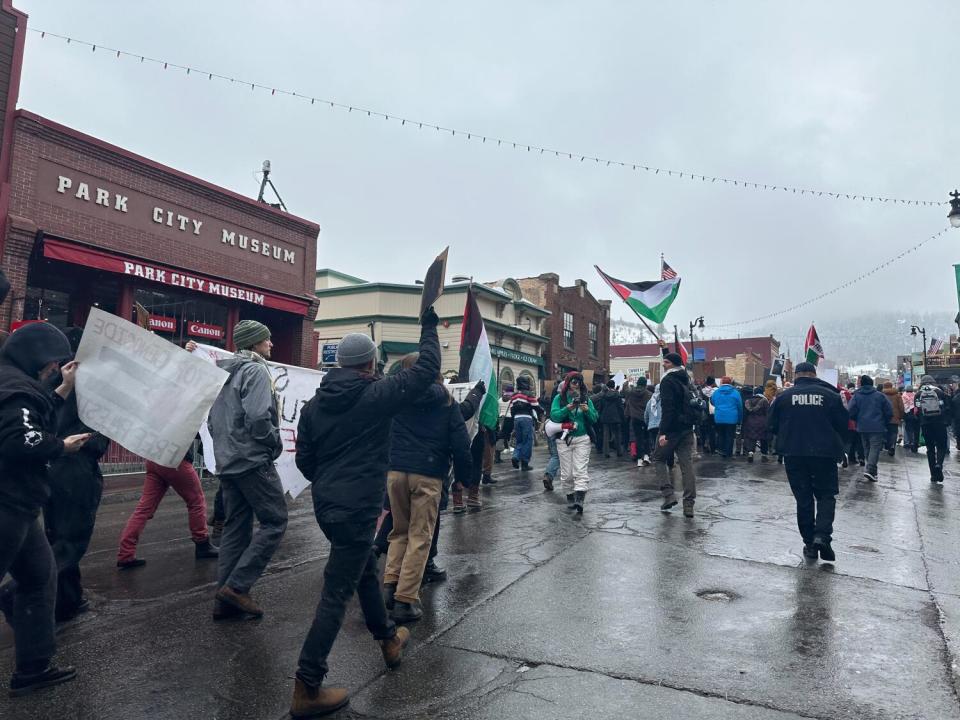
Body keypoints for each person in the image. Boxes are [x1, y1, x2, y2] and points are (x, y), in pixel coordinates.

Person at [289, 309, 440, 717]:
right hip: (357, 509)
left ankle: (388, 639)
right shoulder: (375, 396)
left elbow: (304, 460)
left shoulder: (315, 405)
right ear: (371, 364)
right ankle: (307, 686)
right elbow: (426, 371)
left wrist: (330, 482)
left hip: (328, 505)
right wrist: (427, 324)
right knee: (336, 594)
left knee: (364, 572)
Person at [0, 323, 92, 695]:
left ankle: (34, 668)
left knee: (40, 577)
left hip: (21, 505)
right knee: (39, 579)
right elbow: (22, 439)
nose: (52, 370)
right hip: (8, 503)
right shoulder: (17, 389)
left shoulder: (15, 383)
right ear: (36, 357)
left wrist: (62, 390)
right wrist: (61, 446)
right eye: (51, 365)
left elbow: (28, 418)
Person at [382, 353, 472, 623]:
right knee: (420, 536)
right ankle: (405, 599)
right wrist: (464, 478)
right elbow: (460, 443)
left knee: (399, 531)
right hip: (428, 473)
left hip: (396, 470)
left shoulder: (396, 398)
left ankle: (390, 584)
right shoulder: (446, 401)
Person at [207, 320, 286, 620]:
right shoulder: (254, 371)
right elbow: (258, 416)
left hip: (227, 461)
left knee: (235, 529)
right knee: (275, 521)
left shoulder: (223, 374)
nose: (271, 345)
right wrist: (272, 443)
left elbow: (213, 421)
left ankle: (223, 602)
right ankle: (238, 588)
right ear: (254, 344)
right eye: (266, 340)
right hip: (252, 460)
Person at [38, 327, 110, 623]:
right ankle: (18, 592)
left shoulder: (53, 381)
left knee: (58, 533)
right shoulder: (91, 383)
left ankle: (68, 599)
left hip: (52, 463)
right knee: (70, 541)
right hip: (77, 463)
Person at [767, 362, 848, 562]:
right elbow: (843, 425)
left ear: (796, 376)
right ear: (814, 374)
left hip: (794, 453)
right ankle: (822, 535)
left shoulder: (783, 397)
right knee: (826, 495)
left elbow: (771, 425)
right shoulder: (830, 396)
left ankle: (809, 543)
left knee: (803, 498)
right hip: (824, 453)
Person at [116, 438, 219, 569]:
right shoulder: (183, 417)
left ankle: (126, 554)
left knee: (143, 509)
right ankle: (202, 544)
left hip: (154, 458)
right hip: (175, 459)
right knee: (196, 502)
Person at [653, 352, 699, 517]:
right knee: (686, 465)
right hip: (687, 427)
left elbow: (668, 408)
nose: (663, 364)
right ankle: (689, 504)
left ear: (671, 364)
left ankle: (668, 495)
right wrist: (665, 348)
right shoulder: (685, 378)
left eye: (665, 362)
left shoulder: (667, 381)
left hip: (672, 428)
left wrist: (663, 432)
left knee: (658, 458)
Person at [550, 372, 598, 515]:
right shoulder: (560, 398)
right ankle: (570, 497)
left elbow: (595, 418)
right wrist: (568, 408)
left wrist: (587, 410)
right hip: (564, 439)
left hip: (582, 438)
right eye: (573, 381)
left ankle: (580, 499)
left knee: (580, 470)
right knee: (567, 473)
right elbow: (554, 415)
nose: (575, 384)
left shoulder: (586, 399)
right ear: (568, 383)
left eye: (578, 381)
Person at [847, 375, 892, 483]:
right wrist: (884, 421)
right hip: (877, 426)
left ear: (861, 384)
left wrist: (857, 419)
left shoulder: (857, 396)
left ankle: (872, 471)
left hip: (862, 426)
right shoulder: (880, 396)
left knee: (867, 447)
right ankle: (870, 469)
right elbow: (889, 411)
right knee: (874, 448)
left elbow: (850, 410)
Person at [914, 375, 951, 483]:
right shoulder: (939, 392)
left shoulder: (918, 394)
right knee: (941, 446)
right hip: (939, 423)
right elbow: (947, 407)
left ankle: (933, 475)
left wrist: (920, 420)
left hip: (925, 424)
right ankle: (939, 464)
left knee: (930, 449)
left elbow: (916, 410)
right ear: (933, 382)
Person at [508, 375, 542, 471]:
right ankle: (525, 464)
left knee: (519, 440)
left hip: (516, 419)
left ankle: (516, 456)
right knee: (527, 441)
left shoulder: (514, 395)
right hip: (526, 419)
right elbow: (536, 406)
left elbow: (511, 408)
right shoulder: (529, 394)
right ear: (526, 383)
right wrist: (542, 412)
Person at [711, 377, 743, 459]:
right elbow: (739, 406)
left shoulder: (716, 392)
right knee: (730, 435)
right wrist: (739, 419)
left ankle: (721, 450)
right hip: (732, 418)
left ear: (722, 383)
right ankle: (728, 453)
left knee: (721, 434)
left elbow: (712, 402)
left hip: (719, 417)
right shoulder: (736, 393)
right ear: (730, 383)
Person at [625, 377, 653, 465]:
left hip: (635, 418)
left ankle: (639, 459)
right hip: (646, 419)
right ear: (645, 384)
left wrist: (627, 381)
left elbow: (624, 389)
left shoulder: (631, 392)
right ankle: (646, 456)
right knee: (646, 437)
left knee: (638, 438)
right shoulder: (649, 394)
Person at [742, 387, 770, 462]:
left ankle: (750, 453)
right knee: (763, 439)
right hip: (762, 422)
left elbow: (745, 413)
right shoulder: (764, 401)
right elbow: (768, 413)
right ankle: (764, 455)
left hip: (750, 422)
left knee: (751, 438)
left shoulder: (748, 401)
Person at [598, 379, 624, 458]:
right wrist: (622, 417)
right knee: (617, 434)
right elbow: (620, 407)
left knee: (606, 434)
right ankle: (619, 451)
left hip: (605, 416)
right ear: (614, 385)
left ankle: (606, 452)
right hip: (616, 416)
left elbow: (601, 407)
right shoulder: (617, 395)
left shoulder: (604, 395)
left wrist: (600, 415)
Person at [881, 381, 904, 457]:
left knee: (885, 432)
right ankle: (892, 446)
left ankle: (886, 445)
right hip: (895, 417)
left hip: (884, 417)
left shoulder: (881, 395)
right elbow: (901, 407)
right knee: (894, 433)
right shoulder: (897, 395)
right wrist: (901, 416)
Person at [902, 386, 919, 454]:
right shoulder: (915, 395)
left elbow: (902, 406)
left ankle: (907, 442)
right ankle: (913, 442)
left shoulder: (903, 396)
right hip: (915, 414)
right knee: (915, 429)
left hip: (907, 414)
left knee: (907, 429)